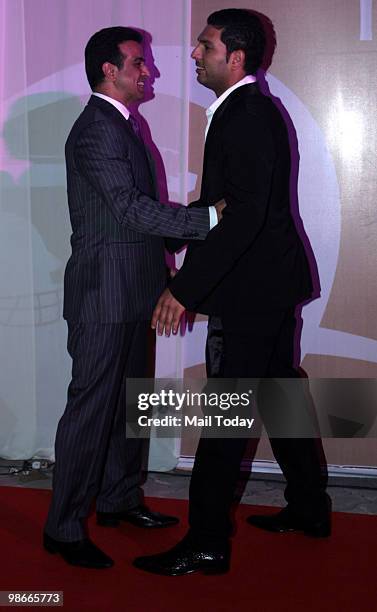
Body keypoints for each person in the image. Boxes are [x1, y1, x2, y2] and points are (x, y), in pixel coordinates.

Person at [134, 9, 331, 576]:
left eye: (206, 45)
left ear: (235, 58)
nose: (195, 54)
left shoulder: (244, 115)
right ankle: (311, 508)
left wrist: (184, 287)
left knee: (226, 415)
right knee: (281, 397)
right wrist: (175, 226)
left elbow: (242, 216)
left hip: (252, 289)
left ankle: (206, 543)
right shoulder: (244, 111)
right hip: (268, 283)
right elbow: (227, 206)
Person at [43, 26, 223, 569]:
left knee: (130, 408)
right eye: (138, 63)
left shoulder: (124, 125)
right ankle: (63, 527)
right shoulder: (96, 130)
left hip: (134, 292)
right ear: (109, 71)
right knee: (91, 411)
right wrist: (208, 220)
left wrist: (189, 227)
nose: (149, 71)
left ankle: (119, 500)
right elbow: (130, 210)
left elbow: (140, 213)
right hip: (103, 295)